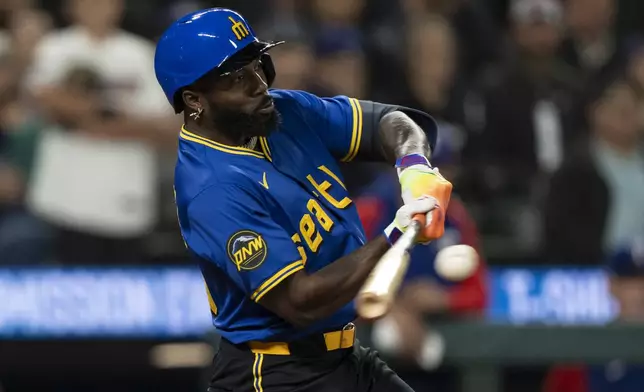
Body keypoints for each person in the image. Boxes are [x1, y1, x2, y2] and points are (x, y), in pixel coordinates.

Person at [154, 8, 452, 392]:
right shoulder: (213, 189)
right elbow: (300, 302)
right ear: (195, 100)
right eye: (238, 77)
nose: (259, 84)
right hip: (276, 372)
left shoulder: (285, 112)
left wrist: (414, 167)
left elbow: (392, 123)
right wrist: (393, 236)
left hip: (344, 357)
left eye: (259, 65)